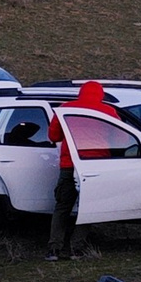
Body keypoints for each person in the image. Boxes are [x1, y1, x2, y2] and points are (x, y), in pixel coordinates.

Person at [47, 80, 112, 262]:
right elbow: (120, 139)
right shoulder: (108, 111)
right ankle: (77, 249)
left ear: (80, 93)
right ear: (101, 95)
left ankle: (54, 249)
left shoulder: (65, 109)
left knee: (62, 207)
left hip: (69, 164)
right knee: (88, 207)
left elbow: (53, 136)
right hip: (96, 166)